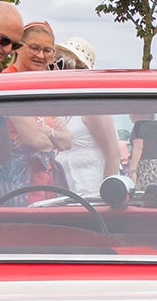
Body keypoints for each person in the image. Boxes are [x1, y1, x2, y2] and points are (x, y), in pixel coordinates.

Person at [0, 22, 71, 204]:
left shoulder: (44, 86)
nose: (41, 55)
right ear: (18, 48)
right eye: (35, 48)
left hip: (47, 183)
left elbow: (68, 142)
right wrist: (48, 136)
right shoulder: (9, 80)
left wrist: (45, 133)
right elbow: (35, 140)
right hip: (17, 184)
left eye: (47, 50)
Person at [50, 37, 121, 198]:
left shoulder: (92, 107)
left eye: (63, 64)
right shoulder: (65, 108)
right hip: (66, 193)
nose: (56, 69)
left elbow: (113, 154)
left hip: (91, 193)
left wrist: (107, 198)